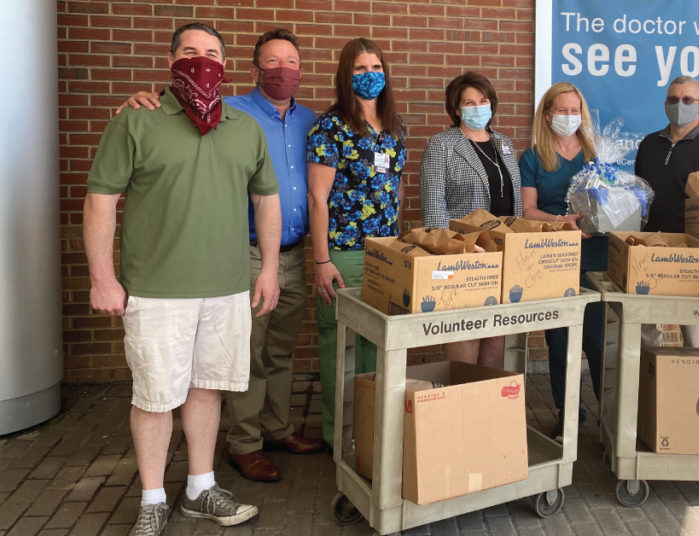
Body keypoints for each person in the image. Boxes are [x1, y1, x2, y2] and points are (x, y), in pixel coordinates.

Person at [85, 22, 279, 535]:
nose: (202, 60)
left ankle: (199, 488)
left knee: (208, 390)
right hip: (155, 290)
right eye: (190, 52)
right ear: (171, 60)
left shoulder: (244, 126)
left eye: (212, 52)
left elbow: (267, 199)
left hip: (228, 286)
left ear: (226, 62)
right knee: (153, 397)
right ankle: (152, 498)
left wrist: (271, 269)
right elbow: (101, 199)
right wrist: (102, 278)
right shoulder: (136, 120)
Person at [115, 29, 326, 483]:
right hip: (243, 253)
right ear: (252, 70)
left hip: (292, 253)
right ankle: (244, 443)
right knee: (244, 355)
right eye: (272, 62)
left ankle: (279, 428)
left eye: (291, 62)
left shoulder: (312, 120)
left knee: (280, 352)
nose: (282, 70)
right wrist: (144, 97)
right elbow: (184, 104)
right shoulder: (233, 112)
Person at [306, 37, 405, 451]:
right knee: (341, 349)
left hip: (385, 253)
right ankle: (340, 437)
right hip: (343, 255)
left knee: (378, 346)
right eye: (360, 69)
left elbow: (396, 188)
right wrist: (321, 260)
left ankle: (373, 430)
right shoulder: (331, 127)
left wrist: (399, 247)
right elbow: (317, 197)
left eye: (376, 67)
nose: (370, 76)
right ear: (346, 76)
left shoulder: (395, 127)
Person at [518, 82, 603, 442]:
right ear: (547, 113)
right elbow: (527, 210)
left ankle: (609, 415)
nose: (569, 117)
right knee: (559, 340)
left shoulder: (595, 153)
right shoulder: (533, 157)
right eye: (562, 110)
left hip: (596, 254)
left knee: (598, 339)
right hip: (554, 254)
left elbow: (608, 201)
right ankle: (568, 414)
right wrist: (560, 222)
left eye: (575, 110)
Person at [419, 72, 522, 368]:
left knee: (495, 333)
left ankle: (485, 405)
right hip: (465, 255)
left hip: (503, 254)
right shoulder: (441, 145)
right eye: (469, 102)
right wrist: (453, 252)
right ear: (456, 109)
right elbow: (433, 205)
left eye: (483, 100)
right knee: (466, 331)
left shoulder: (503, 143)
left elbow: (514, 204)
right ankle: (461, 405)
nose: (478, 107)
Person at [634, 75, 699, 348]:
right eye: (673, 99)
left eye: (687, 100)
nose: (679, 104)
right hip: (651, 249)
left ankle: (697, 386)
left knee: (695, 335)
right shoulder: (649, 144)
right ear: (665, 103)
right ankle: (649, 384)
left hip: (695, 256)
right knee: (646, 331)